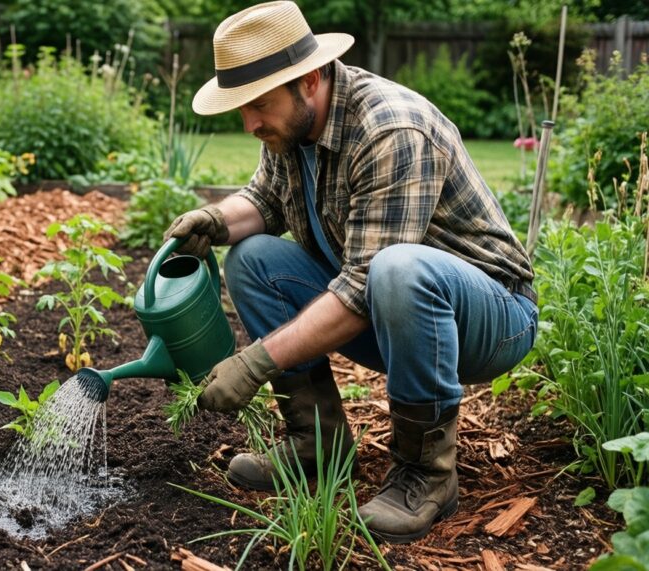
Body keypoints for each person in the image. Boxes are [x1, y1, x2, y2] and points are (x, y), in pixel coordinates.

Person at [164, 1, 538, 544]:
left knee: (398, 268)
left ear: (309, 79)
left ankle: (427, 475)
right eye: (242, 109)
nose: (249, 124)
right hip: (392, 313)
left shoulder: (390, 128)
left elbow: (365, 285)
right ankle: (316, 444)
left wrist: (255, 363)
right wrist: (215, 220)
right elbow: (264, 201)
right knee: (251, 259)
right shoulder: (293, 128)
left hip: (489, 321)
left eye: (259, 105)